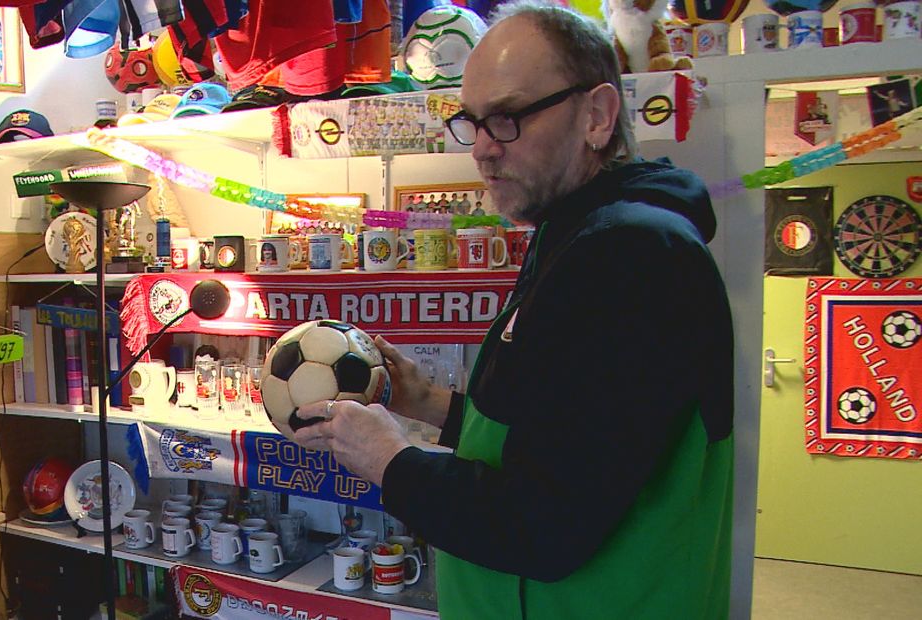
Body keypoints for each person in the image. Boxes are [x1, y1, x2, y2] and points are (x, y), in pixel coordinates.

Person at [292, 2, 735, 619]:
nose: (481, 150)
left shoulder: (631, 253)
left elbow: (547, 523)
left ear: (598, 116)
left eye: (506, 119)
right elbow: (563, 439)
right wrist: (431, 405)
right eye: (471, 122)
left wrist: (390, 461)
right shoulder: (577, 235)